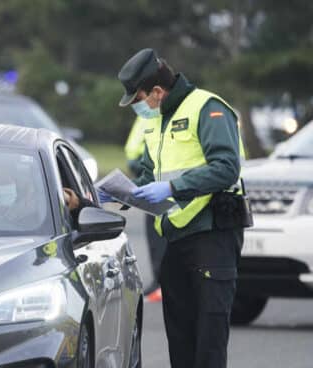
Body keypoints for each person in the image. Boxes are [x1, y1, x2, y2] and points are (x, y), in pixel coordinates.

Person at [112, 48, 246, 368]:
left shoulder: (207, 108)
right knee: (181, 343)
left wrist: (172, 188)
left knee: (208, 345)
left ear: (157, 92)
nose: (138, 107)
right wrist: (115, 193)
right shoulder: (157, 121)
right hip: (175, 239)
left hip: (211, 236)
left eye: (139, 99)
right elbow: (149, 174)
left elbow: (227, 167)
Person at [124, 117, 167, 297]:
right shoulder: (146, 114)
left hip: (165, 187)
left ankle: (162, 282)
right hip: (147, 175)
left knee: (162, 238)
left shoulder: (163, 115)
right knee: (153, 236)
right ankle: (158, 280)